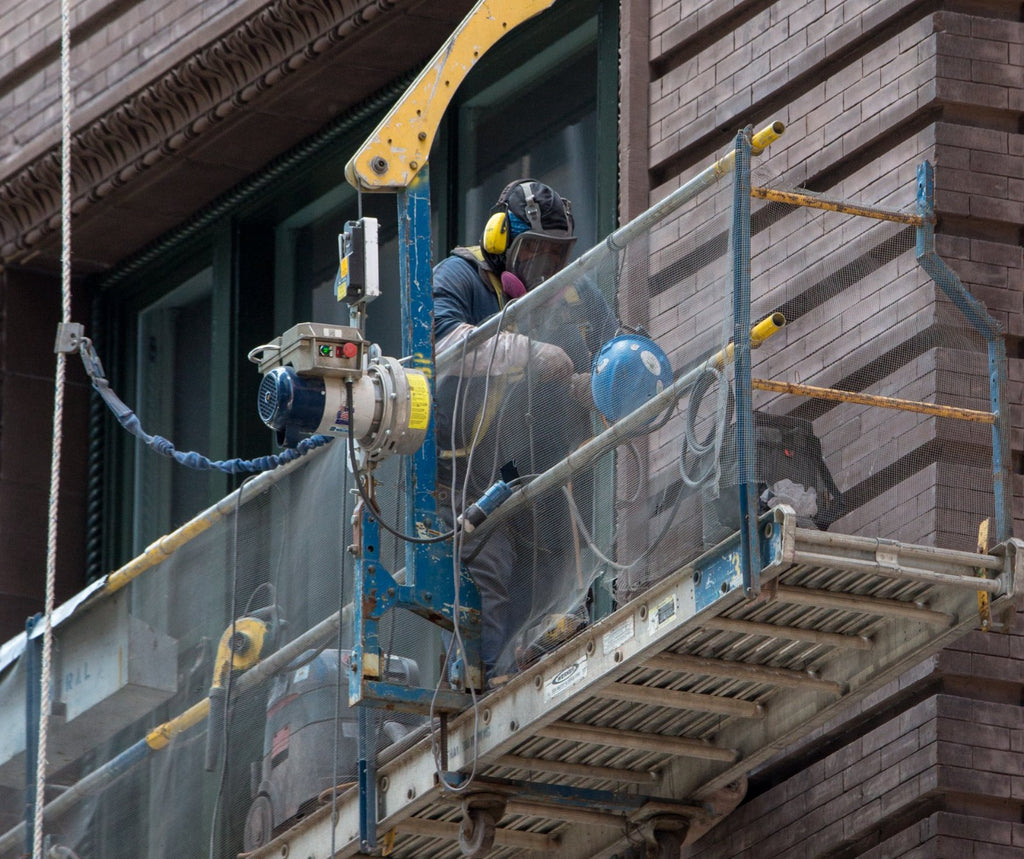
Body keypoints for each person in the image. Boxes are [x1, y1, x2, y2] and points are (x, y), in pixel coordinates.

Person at [432, 179, 617, 683]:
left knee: (552, 565)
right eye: (533, 250)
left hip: (533, 463)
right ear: (500, 240)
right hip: (457, 461)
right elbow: (444, 344)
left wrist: (596, 386)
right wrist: (536, 355)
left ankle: (529, 657)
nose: (547, 267)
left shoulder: (579, 292)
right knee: (487, 568)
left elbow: (613, 356)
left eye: (556, 253)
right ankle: (481, 679)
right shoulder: (462, 276)